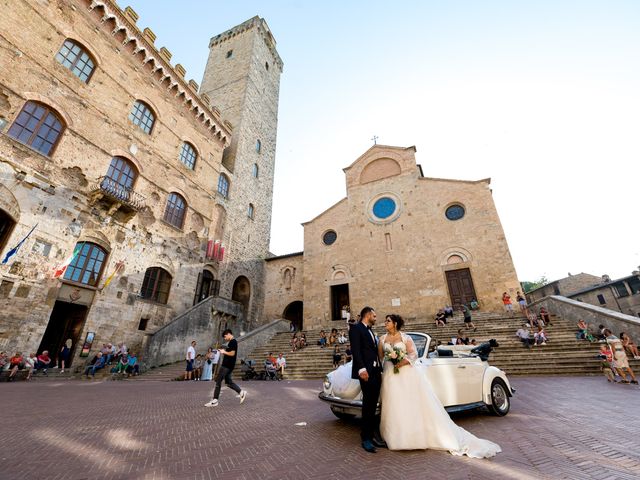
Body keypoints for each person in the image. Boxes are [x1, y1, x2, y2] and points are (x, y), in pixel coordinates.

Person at [378, 313, 500, 457]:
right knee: (393, 403)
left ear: (395, 323)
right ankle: (394, 435)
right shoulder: (382, 339)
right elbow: (381, 356)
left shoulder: (406, 337)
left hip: (405, 373)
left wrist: (401, 361)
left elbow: (413, 355)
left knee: (408, 403)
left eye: (388, 321)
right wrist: (390, 362)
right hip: (389, 374)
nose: (385, 323)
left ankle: (411, 435)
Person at [349, 306, 384, 453]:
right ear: (368, 315)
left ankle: (373, 435)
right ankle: (366, 438)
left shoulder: (370, 330)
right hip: (366, 372)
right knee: (368, 405)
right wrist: (361, 368)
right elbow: (356, 350)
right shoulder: (356, 329)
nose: (376, 318)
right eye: (374, 316)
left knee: (373, 405)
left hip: (376, 372)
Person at [204, 329, 247, 407]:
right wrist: (223, 350)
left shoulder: (233, 341)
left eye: (225, 337)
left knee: (218, 381)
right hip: (229, 365)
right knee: (228, 382)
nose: (225, 338)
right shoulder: (231, 342)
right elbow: (230, 352)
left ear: (228, 334)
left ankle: (215, 400)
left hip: (226, 366)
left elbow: (232, 353)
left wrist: (224, 352)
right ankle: (241, 392)